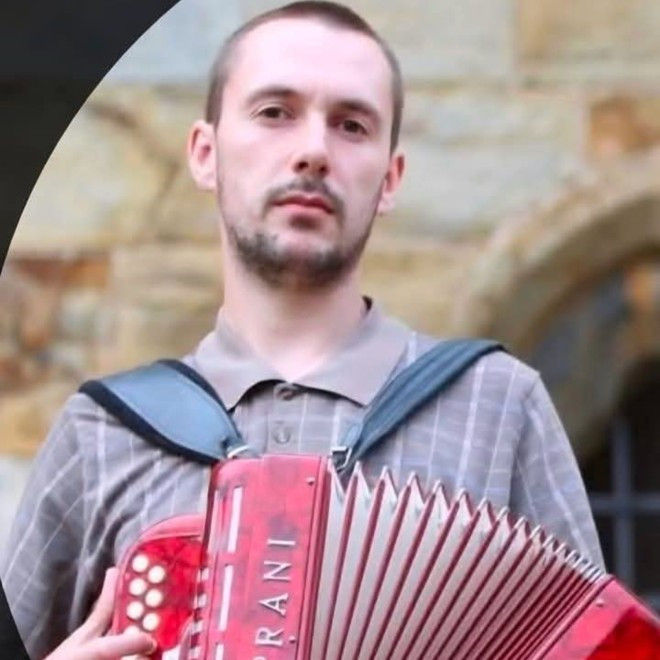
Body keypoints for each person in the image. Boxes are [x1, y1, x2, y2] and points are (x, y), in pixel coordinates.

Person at [1, 2, 604, 658]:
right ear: (205, 154)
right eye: (274, 112)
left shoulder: (500, 406)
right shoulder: (101, 434)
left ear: (390, 180)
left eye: (351, 125)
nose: (313, 151)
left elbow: (596, 642)